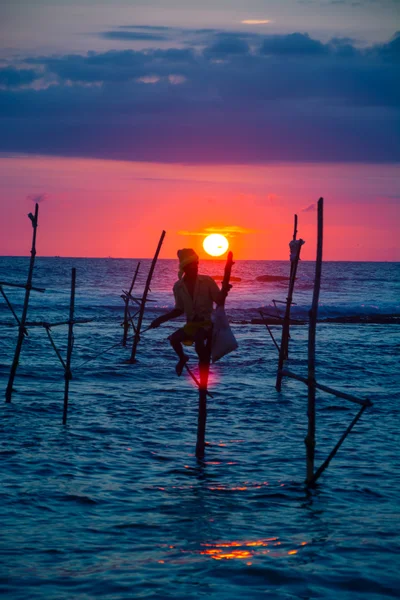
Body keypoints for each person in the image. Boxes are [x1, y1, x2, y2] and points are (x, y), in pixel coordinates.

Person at [149, 248, 231, 375]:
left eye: (196, 264)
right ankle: (182, 358)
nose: (195, 268)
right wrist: (160, 320)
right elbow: (178, 310)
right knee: (174, 339)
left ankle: (203, 367)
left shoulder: (207, 281)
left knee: (199, 342)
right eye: (192, 266)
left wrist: (225, 289)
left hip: (207, 324)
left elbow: (219, 300)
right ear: (185, 268)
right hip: (191, 325)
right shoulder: (178, 287)